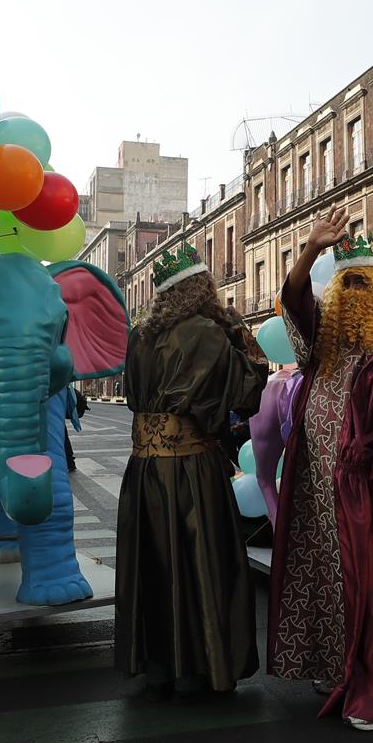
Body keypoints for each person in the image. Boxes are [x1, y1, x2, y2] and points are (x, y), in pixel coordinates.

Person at [268, 209, 373, 730]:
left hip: (367, 489)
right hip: (318, 488)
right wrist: (311, 249)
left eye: (366, 282)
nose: (356, 293)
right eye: (348, 284)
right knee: (329, 583)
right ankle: (341, 668)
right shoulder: (326, 343)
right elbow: (294, 301)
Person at [116, 246, 269, 697]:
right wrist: (239, 333)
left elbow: (132, 396)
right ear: (202, 289)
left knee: (154, 564)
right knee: (202, 561)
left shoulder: (139, 335)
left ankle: (159, 665)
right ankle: (203, 667)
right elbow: (247, 392)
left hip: (143, 470)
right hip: (191, 467)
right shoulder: (206, 332)